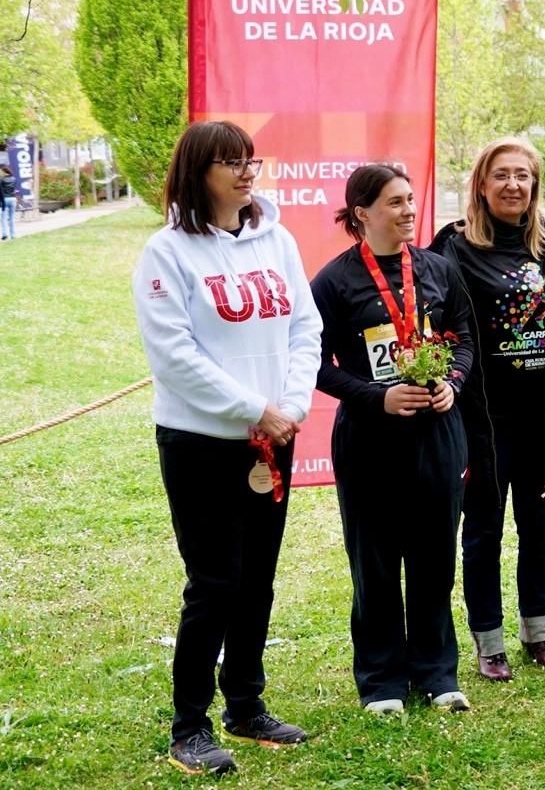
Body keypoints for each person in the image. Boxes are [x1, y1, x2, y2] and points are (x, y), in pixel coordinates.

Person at [132, 121, 321, 776]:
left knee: (257, 578)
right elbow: (174, 355)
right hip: (201, 443)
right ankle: (189, 726)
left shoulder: (278, 240)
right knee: (213, 583)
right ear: (198, 172)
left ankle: (246, 705)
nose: (246, 172)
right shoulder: (167, 253)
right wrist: (253, 409)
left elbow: (305, 327)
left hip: (272, 438)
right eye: (229, 162)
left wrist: (290, 407)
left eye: (250, 160)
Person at [429, 138, 545, 678]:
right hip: (480, 418)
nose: (513, 185)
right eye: (501, 175)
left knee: (540, 529)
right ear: (481, 184)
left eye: (523, 175)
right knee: (483, 531)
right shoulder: (454, 247)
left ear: (535, 184)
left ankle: (539, 633)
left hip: (540, 417)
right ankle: (489, 643)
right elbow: (437, 327)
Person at [311, 164, 475, 713]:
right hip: (369, 439)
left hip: (436, 434)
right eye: (395, 202)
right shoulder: (333, 282)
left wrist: (453, 383)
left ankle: (437, 674)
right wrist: (374, 397)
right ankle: (381, 682)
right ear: (362, 213)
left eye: (410, 200)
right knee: (375, 560)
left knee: (435, 557)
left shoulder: (438, 268)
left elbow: (464, 339)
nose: (409, 211)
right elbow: (314, 364)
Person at [1, 163, 16, 240]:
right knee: (12, 218)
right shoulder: (13, 178)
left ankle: (5, 234)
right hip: (13, 199)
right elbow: (13, 189)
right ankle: (13, 235)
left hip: (4, 200)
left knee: (3, 218)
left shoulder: (1, 179)